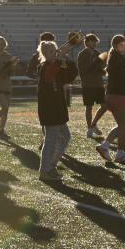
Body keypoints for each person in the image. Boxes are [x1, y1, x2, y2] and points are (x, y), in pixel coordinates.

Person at [36, 41, 78, 180]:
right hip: (49, 108)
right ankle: (44, 170)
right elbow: (49, 78)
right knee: (51, 140)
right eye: (51, 52)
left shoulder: (56, 65)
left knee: (65, 136)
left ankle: (51, 165)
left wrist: (68, 60)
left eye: (55, 51)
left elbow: (69, 77)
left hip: (58, 107)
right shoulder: (43, 66)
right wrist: (59, 59)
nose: (54, 53)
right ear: (44, 53)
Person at [96, 35, 125, 163]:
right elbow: (113, 69)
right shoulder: (115, 57)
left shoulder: (120, 57)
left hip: (115, 94)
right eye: (121, 45)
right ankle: (120, 154)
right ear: (114, 46)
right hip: (118, 94)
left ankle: (104, 146)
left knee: (122, 125)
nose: (123, 47)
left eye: (124, 45)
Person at [27, 32, 56, 150]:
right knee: (45, 116)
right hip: (43, 89)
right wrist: (36, 77)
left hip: (55, 89)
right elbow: (28, 72)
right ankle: (45, 139)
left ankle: (52, 140)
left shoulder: (55, 56)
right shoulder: (36, 57)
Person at [77, 34, 108, 138]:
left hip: (98, 84)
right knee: (89, 106)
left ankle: (93, 124)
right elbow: (81, 69)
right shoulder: (82, 54)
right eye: (91, 41)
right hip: (87, 84)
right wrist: (93, 65)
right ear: (87, 42)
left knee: (105, 106)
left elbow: (102, 70)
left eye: (95, 41)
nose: (94, 43)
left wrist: (103, 69)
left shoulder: (99, 54)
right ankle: (89, 128)